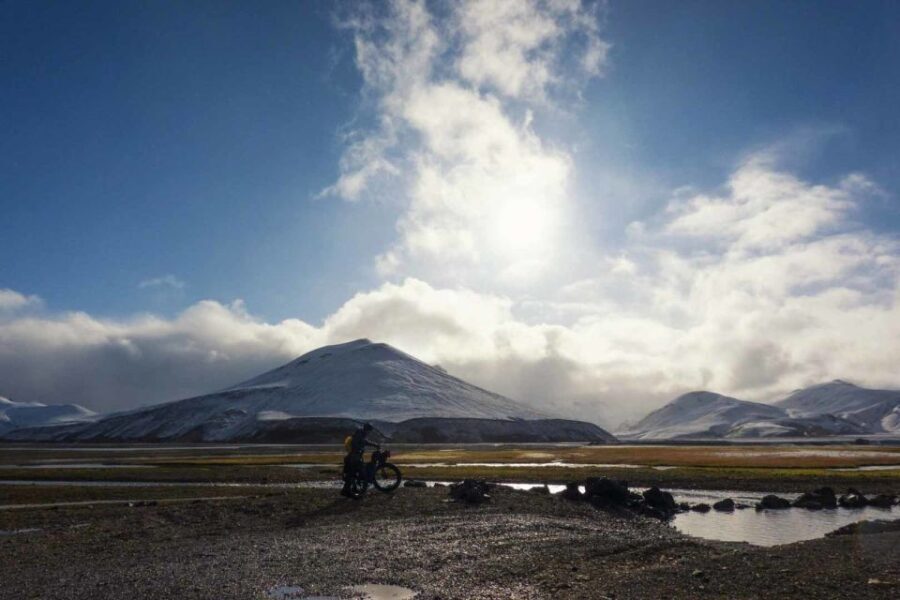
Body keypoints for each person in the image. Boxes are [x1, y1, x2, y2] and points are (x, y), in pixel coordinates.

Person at [341, 422, 379, 497]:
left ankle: (353, 489)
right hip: (354, 456)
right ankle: (346, 490)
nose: (369, 432)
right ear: (367, 429)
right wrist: (360, 449)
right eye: (369, 431)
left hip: (356, 456)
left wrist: (375, 445)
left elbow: (365, 442)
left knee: (355, 472)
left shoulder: (362, 434)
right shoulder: (359, 434)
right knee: (354, 472)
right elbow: (355, 444)